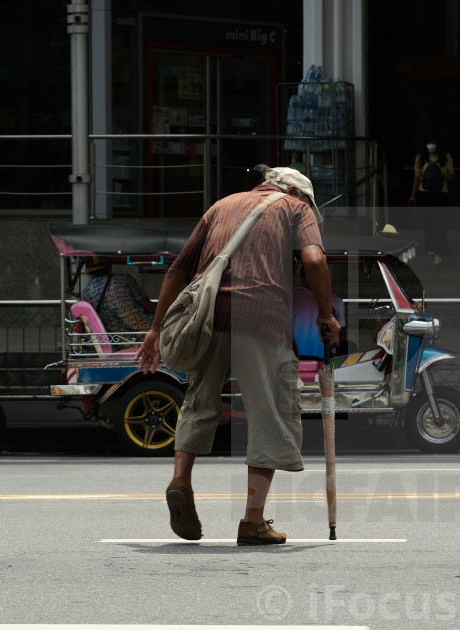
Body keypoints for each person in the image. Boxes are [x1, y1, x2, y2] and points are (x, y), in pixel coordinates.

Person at [135, 166, 340, 546]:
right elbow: (314, 261)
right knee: (269, 414)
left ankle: (181, 479)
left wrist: (155, 330)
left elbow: (178, 271)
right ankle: (252, 521)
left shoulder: (221, 206)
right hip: (262, 318)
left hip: (206, 316)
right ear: (296, 192)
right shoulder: (296, 208)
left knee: (199, 401)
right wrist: (326, 315)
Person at [408, 136, 455, 264]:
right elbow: (417, 177)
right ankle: (430, 246)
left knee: (439, 221)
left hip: (441, 194)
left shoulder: (446, 157)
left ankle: (440, 249)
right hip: (424, 194)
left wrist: (444, 174)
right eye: (429, 143)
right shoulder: (420, 158)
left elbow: (452, 176)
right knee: (427, 221)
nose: (431, 145)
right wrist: (413, 195)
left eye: (433, 143)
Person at [80, 256, 155, 332]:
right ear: (109, 266)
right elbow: (149, 306)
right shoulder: (123, 280)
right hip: (141, 334)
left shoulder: (85, 292)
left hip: (111, 340)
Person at [292, 265, 345, 360]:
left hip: (295, 357)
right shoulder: (336, 301)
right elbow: (342, 335)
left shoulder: (290, 297)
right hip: (324, 358)